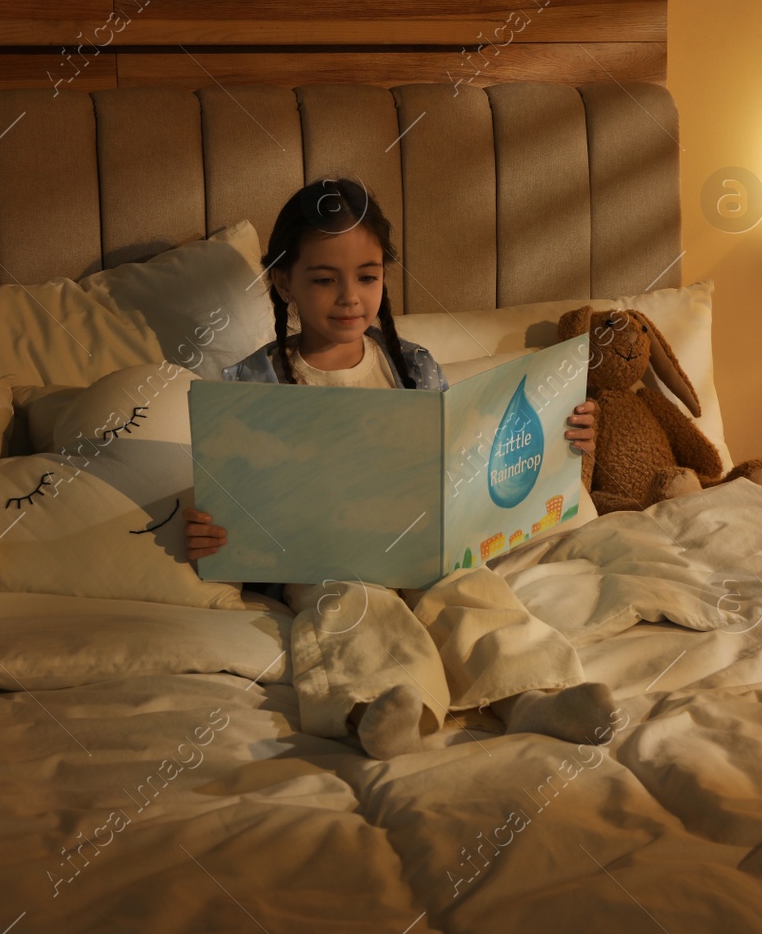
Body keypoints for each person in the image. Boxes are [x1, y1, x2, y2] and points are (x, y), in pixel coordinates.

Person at [184, 177, 615, 759]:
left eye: (367, 276)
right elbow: (238, 501)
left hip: (421, 545)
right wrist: (215, 532)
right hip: (324, 558)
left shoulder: (411, 367)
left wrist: (566, 439)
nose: (349, 297)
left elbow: (468, 464)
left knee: (471, 591)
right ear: (283, 281)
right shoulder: (252, 385)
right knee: (352, 608)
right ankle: (379, 710)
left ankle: (534, 696)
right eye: (323, 279)